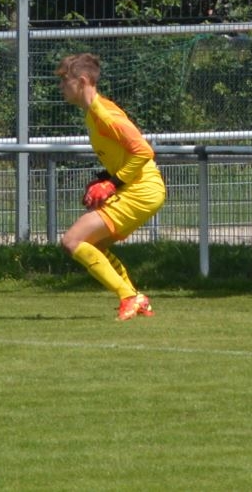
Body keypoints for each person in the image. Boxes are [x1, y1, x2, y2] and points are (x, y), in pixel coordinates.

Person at [56, 52, 166, 321]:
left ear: (82, 81)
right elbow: (125, 154)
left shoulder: (103, 114)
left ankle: (128, 297)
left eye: (65, 80)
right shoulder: (92, 114)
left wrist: (113, 183)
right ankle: (136, 299)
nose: (61, 86)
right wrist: (104, 177)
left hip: (142, 189)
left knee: (72, 240)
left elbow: (143, 151)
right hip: (139, 187)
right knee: (93, 245)